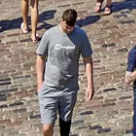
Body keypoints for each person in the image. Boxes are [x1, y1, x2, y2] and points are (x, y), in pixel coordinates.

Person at [37, 8, 95, 136]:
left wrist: (90, 84)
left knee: (65, 125)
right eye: (66, 26)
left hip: (69, 88)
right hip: (49, 88)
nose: (69, 30)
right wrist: (40, 83)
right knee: (47, 127)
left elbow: (87, 60)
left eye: (71, 27)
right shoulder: (50, 34)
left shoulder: (81, 35)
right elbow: (40, 57)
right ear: (61, 21)